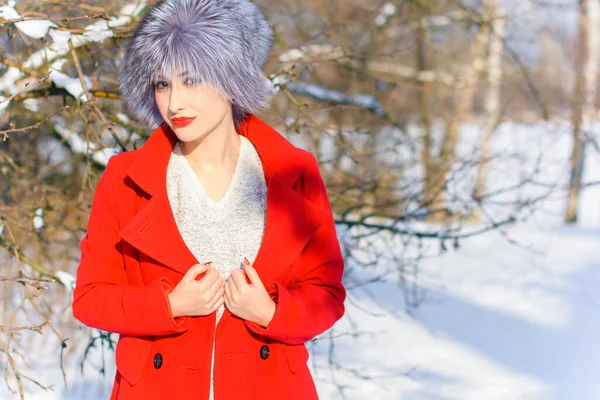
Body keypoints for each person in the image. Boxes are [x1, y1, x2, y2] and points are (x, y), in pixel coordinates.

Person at [71, 0, 346, 399]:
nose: (175, 102)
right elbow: (90, 298)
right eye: (162, 84)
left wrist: (271, 313)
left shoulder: (294, 173)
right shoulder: (125, 179)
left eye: (192, 79)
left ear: (232, 79)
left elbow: (327, 295)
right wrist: (169, 305)